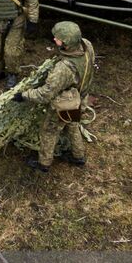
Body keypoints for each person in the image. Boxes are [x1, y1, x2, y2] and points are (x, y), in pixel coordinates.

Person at [12, 21, 95, 172]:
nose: (55, 41)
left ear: (68, 44)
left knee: (49, 130)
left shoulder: (63, 69)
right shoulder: (87, 45)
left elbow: (45, 94)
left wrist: (24, 95)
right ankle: (79, 156)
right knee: (73, 124)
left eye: (58, 39)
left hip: (67, 102)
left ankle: (44, 163)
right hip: (81, 96)